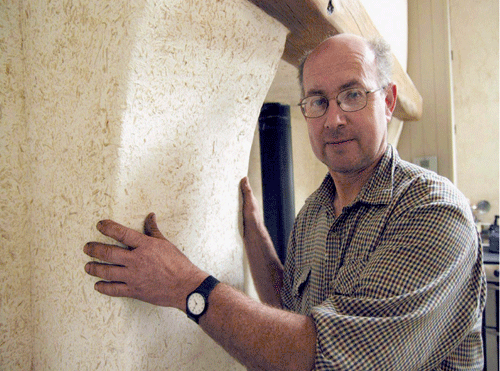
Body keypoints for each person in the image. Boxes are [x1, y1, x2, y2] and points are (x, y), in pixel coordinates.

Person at [83, 33, 486, 370]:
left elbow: (323, 355)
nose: (333, 119)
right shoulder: (314, 213)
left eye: (352, 94)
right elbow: (290, 313)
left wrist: (184, 286)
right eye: (317, 101)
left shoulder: (432, 211)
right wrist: (254, 234)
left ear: (389, 100)